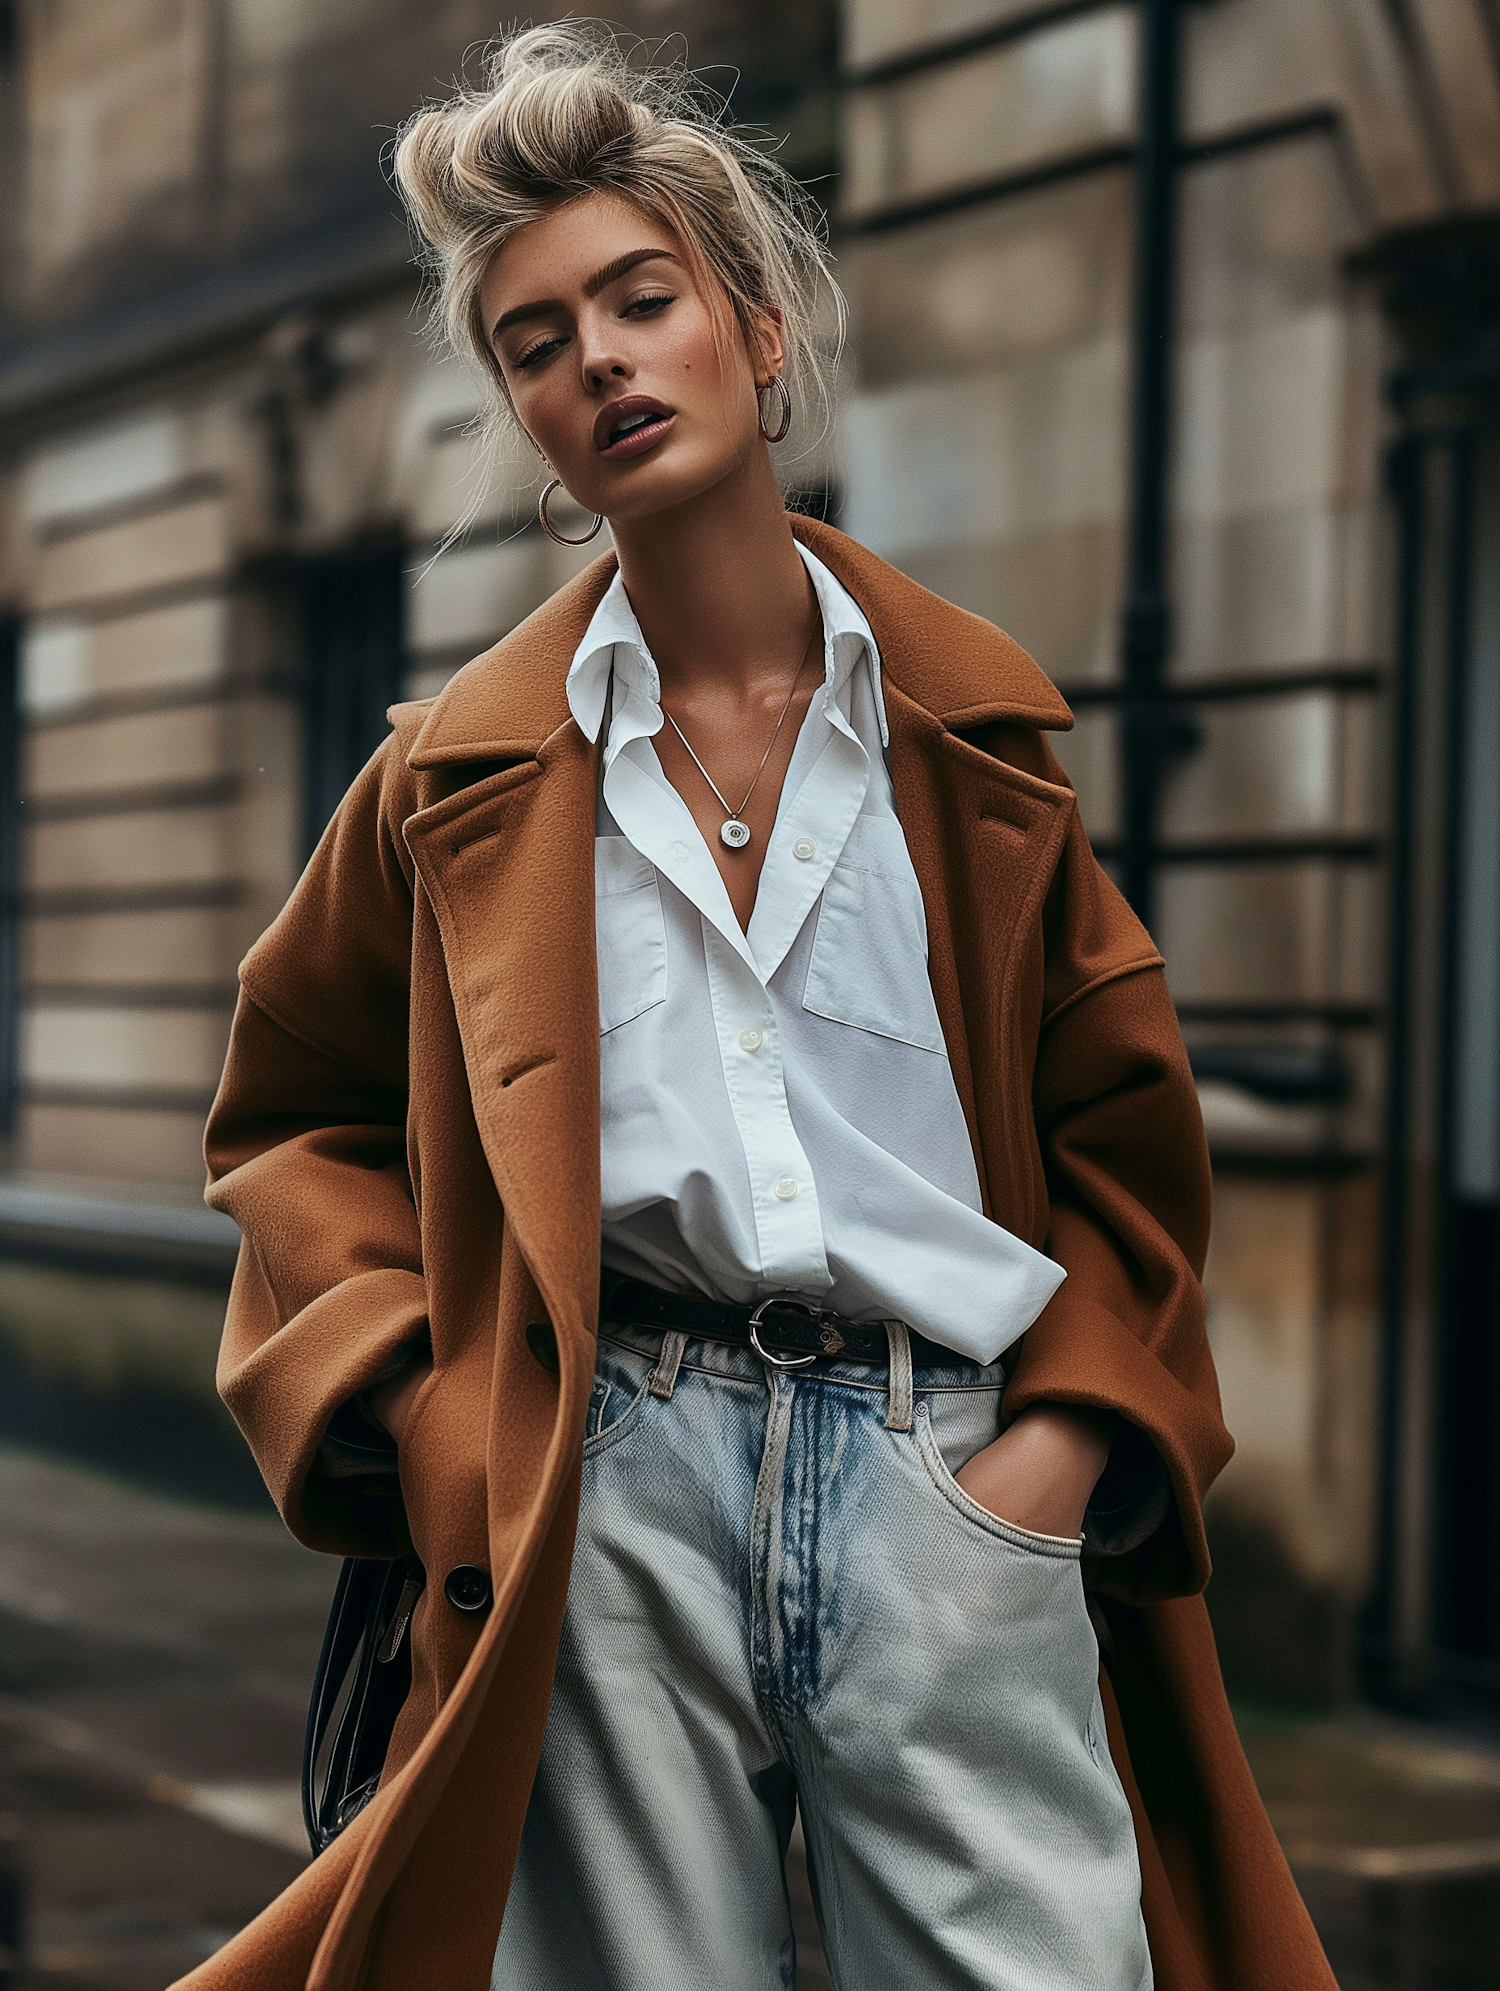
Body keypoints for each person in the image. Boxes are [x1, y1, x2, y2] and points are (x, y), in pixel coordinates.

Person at [178, 24, 1337, 1991]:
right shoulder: (453, 774)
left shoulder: (980, 750)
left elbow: (1130, 1155)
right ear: (529, 422)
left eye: (642, 300)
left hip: (942, 1475)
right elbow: (286, 1122)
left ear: (760, 325)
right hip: (608, 1485)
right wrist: (433, 1408)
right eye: (539, 344)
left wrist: (1050, 1451)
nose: (601, 361)